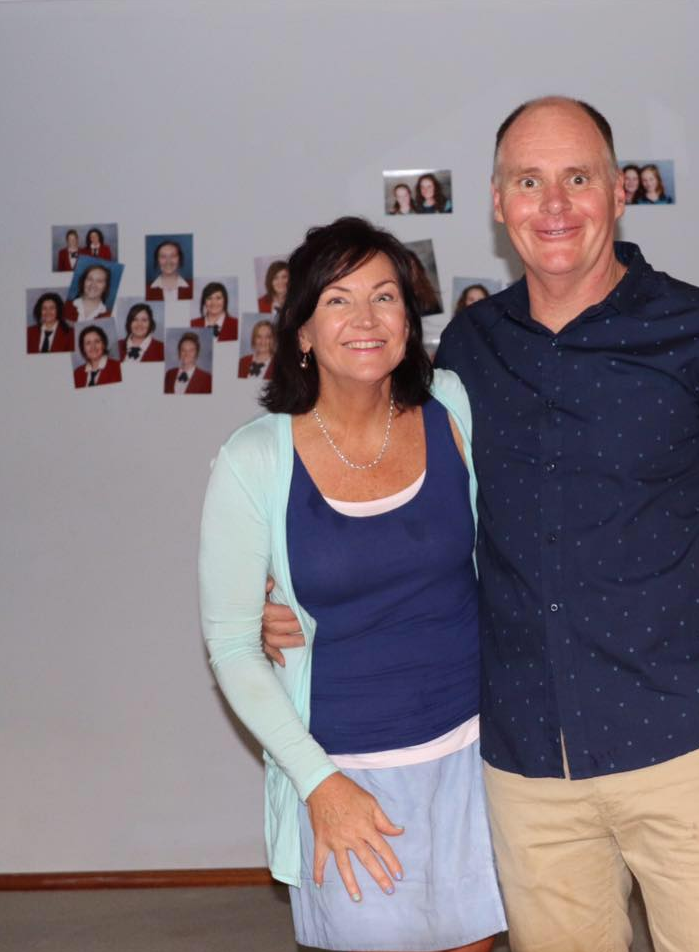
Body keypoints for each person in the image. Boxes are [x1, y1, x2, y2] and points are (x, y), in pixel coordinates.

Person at [262, 97, 699, 952]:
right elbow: (391, 496)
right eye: (528, 182)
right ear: (498, 204)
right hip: (526, 764)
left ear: (617, 192)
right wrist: (302, 604)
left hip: (691, 744)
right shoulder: (464, 352)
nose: (555, 204)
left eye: (578, 178)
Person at [199, 216, 505, 952]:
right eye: (338, 300)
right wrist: (319, 785)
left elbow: (513, 554)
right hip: (345, 771)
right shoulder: (253, 460)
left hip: (477, 754)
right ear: (301, 331)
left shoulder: (456, 407)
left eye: (384, 297)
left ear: (409, 320)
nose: (365, 319)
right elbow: (234, 647)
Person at [73, 324, 122, 388]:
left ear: (104, 344)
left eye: (97, 341)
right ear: (83, 348)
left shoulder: (118, 368)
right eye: (88, 343)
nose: (93, 346)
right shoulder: (77, 373)